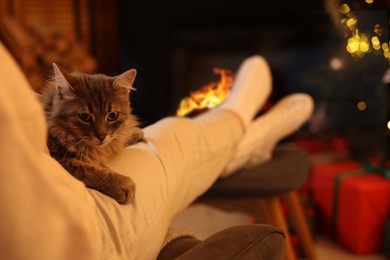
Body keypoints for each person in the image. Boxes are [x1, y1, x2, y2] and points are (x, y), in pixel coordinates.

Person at [0, 41, 313, 259]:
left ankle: (242, 137)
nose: (99, 133)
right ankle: (240, 122)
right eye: (85, 119)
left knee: (156, 137)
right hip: (83, 233)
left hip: (63, 214)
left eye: (110, 118)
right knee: (174, 136)